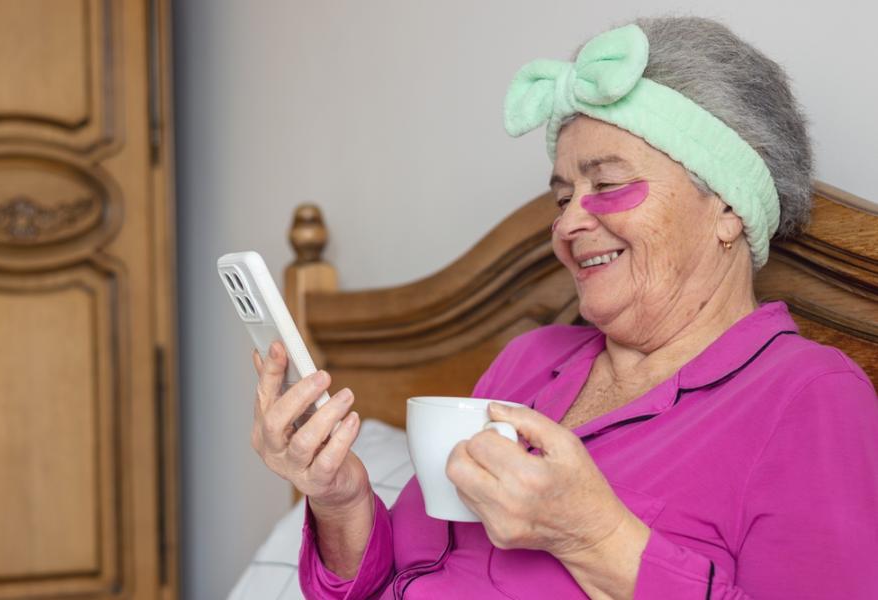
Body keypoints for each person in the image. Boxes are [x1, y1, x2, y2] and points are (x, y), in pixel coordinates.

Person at [249, 16, 878, 599]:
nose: (570, 223)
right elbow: (405, 573)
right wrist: (339, 500)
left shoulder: (810, 397)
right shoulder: (529, 361)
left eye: (607, 186)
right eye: (562, 197)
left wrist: (594, 537)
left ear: (728, 209)